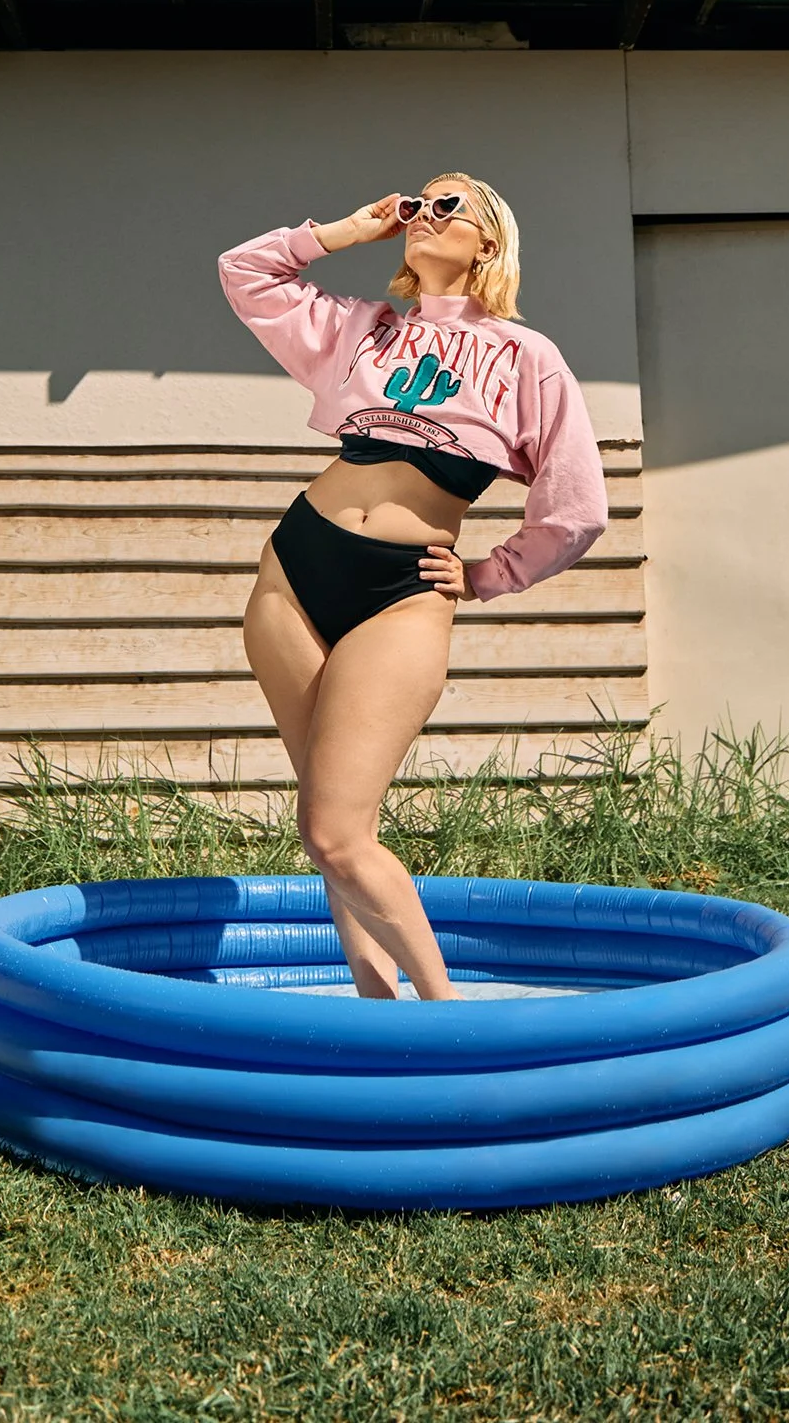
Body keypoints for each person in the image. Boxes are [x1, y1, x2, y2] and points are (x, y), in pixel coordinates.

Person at [217, 173, 608, 1001]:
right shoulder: (360, 330)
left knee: (334, 830)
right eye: (417, 205)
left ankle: (446, 1017)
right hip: (295, 572)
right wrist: (347, 231)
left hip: (402, 589)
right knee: (331, 830)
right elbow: (243, 272)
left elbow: (576, 509)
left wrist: (488, 573)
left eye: (447, 208)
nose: (423, 217)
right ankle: (373, 1002)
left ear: (488, 242)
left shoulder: (525, 357)